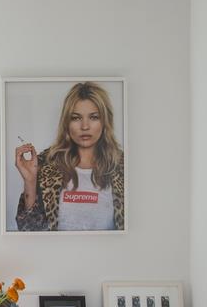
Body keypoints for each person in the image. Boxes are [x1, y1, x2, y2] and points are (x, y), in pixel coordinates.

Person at [15, 81, 125, 231]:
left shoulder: (123, 167)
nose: (85, 126)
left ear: (105, 121)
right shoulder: (46, 164)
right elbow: (28, 231)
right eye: (76, 118)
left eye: (94, 117)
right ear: (67, 122)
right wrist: (30, 181)